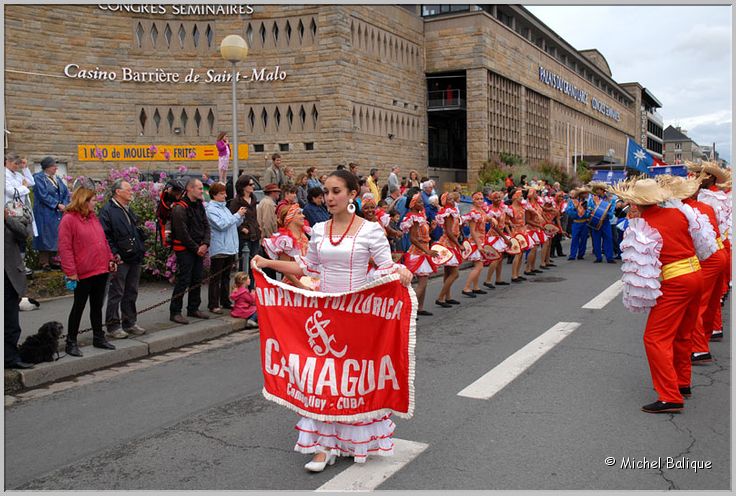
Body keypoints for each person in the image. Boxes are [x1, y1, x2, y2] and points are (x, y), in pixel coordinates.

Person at [252, 169, 412, 472]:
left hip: (357, 315)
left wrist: (400, 273)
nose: (329, 197)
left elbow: (385, 268)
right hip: (325, 313)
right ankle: (324, 448)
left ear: (352, 194)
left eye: (336, 191)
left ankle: (351, 442)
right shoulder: (320, 230)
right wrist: (266, 262)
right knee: (324, 380)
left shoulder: (370, 230)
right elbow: (308, 268)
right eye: (326, 191)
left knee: (349, 381)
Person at [612, 178, 704, 413]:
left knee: (655, 337)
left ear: (637, 202)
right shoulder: (679, 213)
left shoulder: (642, 225)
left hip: (675, 281)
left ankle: (670, 396)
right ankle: (682, 383)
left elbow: (641, 269)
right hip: (696, 274)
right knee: (683, 333)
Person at [58, 184, 118, 357]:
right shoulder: (69, 219)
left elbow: (103, 241)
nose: (95, 203)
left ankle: (99, 337)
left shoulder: (93, 217)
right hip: (83, 271)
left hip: (100, 268)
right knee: (79, 307)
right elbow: (65, 248)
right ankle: (71, 341)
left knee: (97, 306)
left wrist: (110, 259)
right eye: (92, 200)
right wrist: (70, 271)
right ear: (83, 201)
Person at [98, 179, 147, 339]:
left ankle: (129, 322)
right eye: (128, 189)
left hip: (134, 255)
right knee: (116, 292)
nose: (131, 192)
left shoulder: (127, 209)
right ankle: (113, 325)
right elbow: (105, 235)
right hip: (120, 257)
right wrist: (114, 253)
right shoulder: (108, 210)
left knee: (131, 291)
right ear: (118, 192)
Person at [169, 178, 211, 324]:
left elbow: (206, 225)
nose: (202, 191)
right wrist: (196, 248)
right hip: (185, 249)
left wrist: (205, 243)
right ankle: (175, 311)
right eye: (199, 188)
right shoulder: (179, 208)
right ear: (190, 189)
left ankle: (193, 308)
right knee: (183, 280)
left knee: (197, 278)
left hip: (199, 247)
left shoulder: (199, 205)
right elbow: (182, 232)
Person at [206, 182, 246, 314]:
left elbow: (232, 223)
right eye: (222, 193)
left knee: (226, 277)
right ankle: (213, 304)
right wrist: (236, 216)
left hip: (229, 246)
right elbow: (221, 225)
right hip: (219, 247)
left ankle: (225, 300)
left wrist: (240, 217)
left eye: (224, 193)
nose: (225, 195)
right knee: (216, 278)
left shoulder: (224, 208)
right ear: (214, 195)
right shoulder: (211, 209)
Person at [5, 207, 34, 369]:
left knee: (11, 323)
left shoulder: (9, 217)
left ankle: (10, 358)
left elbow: (24, 234)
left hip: (10, 277)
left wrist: (7, 219)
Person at [400, 193, 437, 315]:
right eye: (420, 202)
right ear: (413, 204)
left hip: (422, 252)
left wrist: (431, 228)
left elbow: (423, 236)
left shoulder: (419, 216)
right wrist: (428, 251)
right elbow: (413, 239)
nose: (422, 203)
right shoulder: (414, 217)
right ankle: (408, 309)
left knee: (423, 282)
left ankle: (419, 308)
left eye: (422, 201)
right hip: (418, 253)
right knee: (422, 282)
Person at [32, 156, 70, 271]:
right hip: (44, 212)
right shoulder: (38, 178)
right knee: (45, 235)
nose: (56, 168)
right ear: (47, 167)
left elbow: (65, 192)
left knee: (55, 235)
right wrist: (57, 204)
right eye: (54, 166)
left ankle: (54, 260)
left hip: (56, 213)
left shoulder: (56, 178)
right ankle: (44, 262)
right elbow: (42, 195)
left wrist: (64, 204)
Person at [262, 203, 310, 289]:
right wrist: (301, 286)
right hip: (293, 285)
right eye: (299, 213)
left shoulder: (303, 235)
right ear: (290, 218)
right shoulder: (286, 240)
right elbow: (285, 269)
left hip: (306, 280)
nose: (303, 216)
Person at [434, 192, 464, 307]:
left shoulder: (451, 212)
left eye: (453, 199)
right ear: (444, 201)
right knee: (455, 273)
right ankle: (441, 297)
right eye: (449, 199)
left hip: (449, 242)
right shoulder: (448, 213)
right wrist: (458, 244)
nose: (452, 201)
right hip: (449, 243)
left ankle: (447, 296)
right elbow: (449, 232)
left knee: (448, 272)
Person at [229, 174, 260, 279]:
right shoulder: (236, 202)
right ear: (243, 187)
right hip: (244, 236)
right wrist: (242, 228)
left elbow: (255, 216)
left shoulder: (254, 198)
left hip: (255, 234)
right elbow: (231, 219)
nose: (253, 186)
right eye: (250, 184)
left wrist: (258, 227)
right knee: (244, 264)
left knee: (254, 263)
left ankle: (252, 286)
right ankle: (244, 287)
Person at [460, 192, 491, 296]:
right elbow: (472, 231)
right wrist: (478, 245)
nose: (480, 201)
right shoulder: (473, 213)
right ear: (473, 200)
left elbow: (487, 218)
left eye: (482, 199)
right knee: (479, 266)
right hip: (475, 241)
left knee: (479, 264)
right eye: (477, 199)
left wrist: (492, 219)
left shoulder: (481, 210)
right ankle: (466, 287)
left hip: (481, 240)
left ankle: (476, 287)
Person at [483, 191, 513, 287]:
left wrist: (509, 223)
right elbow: (495, 227)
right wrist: (505, 238)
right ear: (491, 199)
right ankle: (488, 280)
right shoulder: (491, 210)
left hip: (499, 235)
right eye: (495, 198)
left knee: (500, 259)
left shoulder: (502, 208)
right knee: (496, 258)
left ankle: (498, 279)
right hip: (494, 236)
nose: (498, 200)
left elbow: (503, 222)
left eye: (499, 198)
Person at [586, 181, 616, 264]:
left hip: (606, 221)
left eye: (599, 189)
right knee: (596, 239)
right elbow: (589, 208)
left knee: (608, 239)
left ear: (603, 190)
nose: (597, 191)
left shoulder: (610, 199)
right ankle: (598, 257)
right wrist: (590, 213)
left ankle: (609, 257)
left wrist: (606, 214)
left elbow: (612, 212)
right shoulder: (593, 199)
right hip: (595, 220)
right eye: (596, 189)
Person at [566, 187, 591, 260]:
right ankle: (572, 255)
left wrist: (586, 214)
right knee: (574, 239)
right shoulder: (572, 202)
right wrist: (576, 212)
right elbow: (568, 211)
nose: (586, 195)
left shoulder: (587, 202)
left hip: (584, 223)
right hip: (576, 223)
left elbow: (590, 211)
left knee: (584, 239)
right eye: (584, 193)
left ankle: (581, 254)